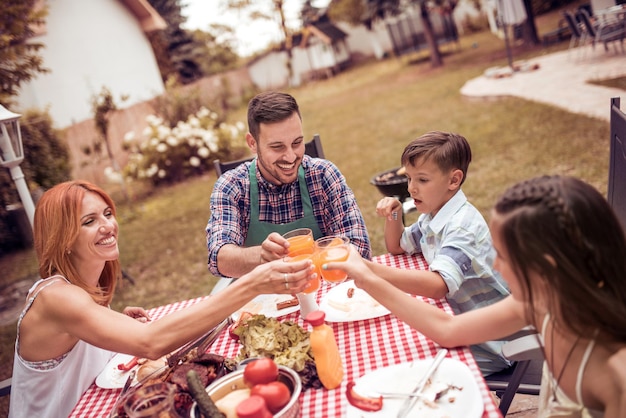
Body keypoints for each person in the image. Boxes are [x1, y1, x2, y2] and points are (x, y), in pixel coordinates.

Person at [8, 180, 314, 418]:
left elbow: (80, 341)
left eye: (107, 213)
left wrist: (114, 325)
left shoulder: (82, 286)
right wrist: (252, 284)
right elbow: (150, 342)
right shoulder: (56, 297)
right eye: (88, 221)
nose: (107, 226)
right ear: (62, 238)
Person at [328, 175, 626, 417]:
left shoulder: (616, 375)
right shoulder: (544, 301)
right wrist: (366, 276)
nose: (495, 264)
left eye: (504, 257)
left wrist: (368, 274)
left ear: (545, 269)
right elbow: (448, 330)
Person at [370, 131, 511, 375]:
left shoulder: (462, 226)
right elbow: (398, 245)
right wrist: (394, 212)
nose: (412, 188)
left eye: (422, 180)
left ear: (453, 180)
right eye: (410, 179)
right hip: (460, 322)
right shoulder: (433, 215)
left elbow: (437, 286)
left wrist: (369, 271)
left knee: (408, 366)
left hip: (491, 343)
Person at [206, 91, 371, 278]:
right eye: (277, 147)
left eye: (297, 142)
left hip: (324, 292)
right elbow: (219, 259)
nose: (291, 157)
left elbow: (359, 249)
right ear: (252, 143)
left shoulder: (323, 175)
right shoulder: (231, 186)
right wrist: (261, 255)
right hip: (261, 301)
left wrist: (302, 261)